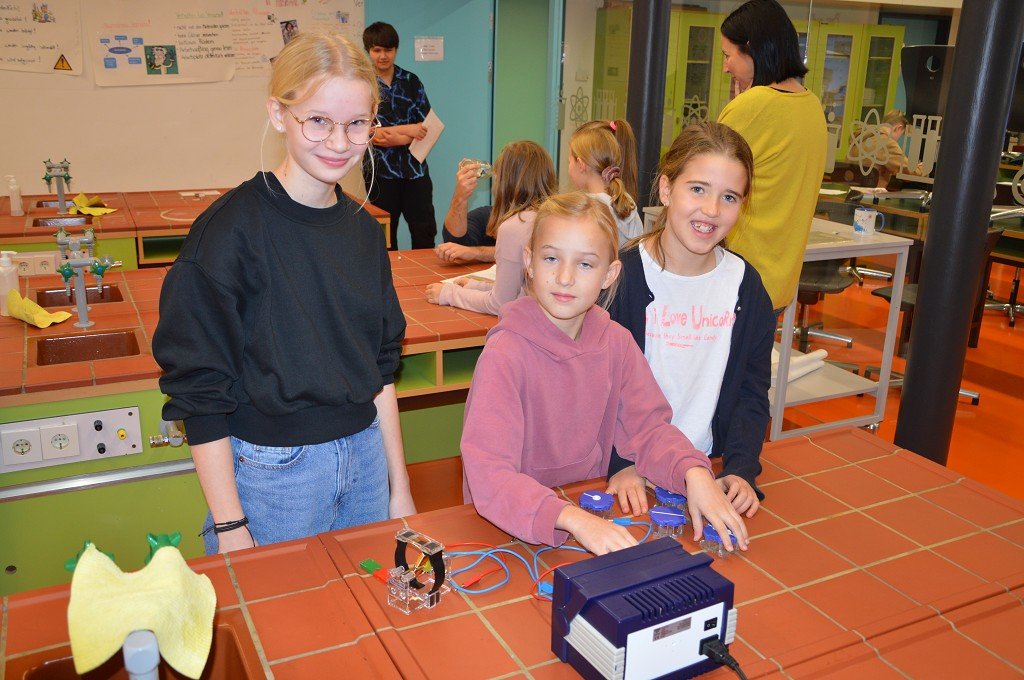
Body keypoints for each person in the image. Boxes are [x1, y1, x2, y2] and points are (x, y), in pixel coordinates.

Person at [153, 31, 415, 555]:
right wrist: (230, 525)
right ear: (278, 114)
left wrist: (399, 489)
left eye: (357, 124)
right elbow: (200, 392)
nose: (339, 143)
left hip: (366, 461)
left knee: (364, 603)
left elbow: (380, 370)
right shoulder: (228, 233)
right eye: (318, 120)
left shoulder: (364, 231)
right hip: (275, 477)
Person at [460, 192, 749, 555]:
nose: (565, 277)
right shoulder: (505, 354)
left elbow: (649, 430)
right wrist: (573, 519)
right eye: (551, 258)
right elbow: (489, 474)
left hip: (586, 510)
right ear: (529, 262)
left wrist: (695, 474)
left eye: (585, 264)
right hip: (510, 526)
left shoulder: (616, 343)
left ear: (609, 274)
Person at [604, 122, 775, 519]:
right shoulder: (618, 279)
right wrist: (620, 462)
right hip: (630, 472)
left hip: (709, 470)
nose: (711, 210)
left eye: (729, 197)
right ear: (666, 189)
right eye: (698, 189)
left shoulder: (746, 287)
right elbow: (596, 388)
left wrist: (741, 468)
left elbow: (752, 391)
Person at [717, 0, 828, 312]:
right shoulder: (812, 106)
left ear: (752, 49)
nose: (726, 67)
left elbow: (703, 179)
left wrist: (740, 103)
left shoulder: (752, 106)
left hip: (736, 279)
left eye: (728, 55)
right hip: (778, 283)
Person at [424, 140, 556, 314]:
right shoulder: (553, 218)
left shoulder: (515, 226)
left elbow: (500, 303)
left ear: (505, 182)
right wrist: (477, 286)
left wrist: (448, 293)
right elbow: (524, 289)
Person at [361, 22, 437, 250]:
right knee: (384, 238)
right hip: (380, 173)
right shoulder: (362, 84)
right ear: (368, 51)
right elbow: (372, 134)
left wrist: (394, 135)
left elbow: (428, 127)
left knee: (424, 233)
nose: (383, 56)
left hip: (416, 171)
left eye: (388, 49)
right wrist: (410, 131)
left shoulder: (412, 81)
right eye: (377, 50)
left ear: (396, 50)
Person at [567, 119, 645, 247]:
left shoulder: (587, 210)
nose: (568, 168)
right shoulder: (627, 204)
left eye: (569, 161)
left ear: (581, 165)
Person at [436, 159, 496, 265]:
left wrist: (477, 253)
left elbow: (520, 252)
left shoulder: (528, 217)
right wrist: (460, 196)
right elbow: (456, 245)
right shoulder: (488, 215)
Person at [846, 110, 926, 189]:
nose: (898, 139)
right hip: (872, 194)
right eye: (901, 134)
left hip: (852, 191)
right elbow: (911, 173)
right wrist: (924, 166)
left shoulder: (863, 137)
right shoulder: (886, 143)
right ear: (898, 128)